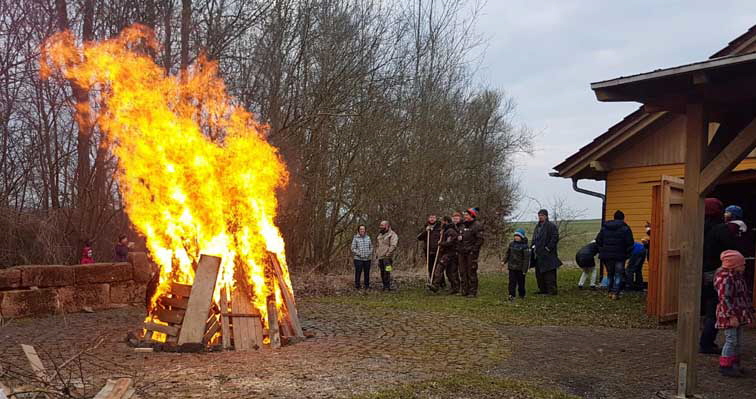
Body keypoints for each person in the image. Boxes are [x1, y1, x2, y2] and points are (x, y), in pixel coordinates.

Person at [700, 198, 736, 354]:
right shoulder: (720, 229)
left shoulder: (697, 226)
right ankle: (706, 343)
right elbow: (730, 248)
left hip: (702, 270)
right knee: (715, 308)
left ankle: (706, 341)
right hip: (717, 270)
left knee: (709, 306)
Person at [715, 250, 755, 377]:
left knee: (738, 340)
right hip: (729, 314)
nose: (744, 266)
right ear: (734, 265)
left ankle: (734, 363)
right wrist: (731, 315)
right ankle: (725, 365)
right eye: (742, 264)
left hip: (738, 312)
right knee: (731, 339)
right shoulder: (725, 279)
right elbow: (724, 298)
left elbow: (743, 295)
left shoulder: (737, 277)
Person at [596, 210, 634, 300]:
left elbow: (598, 240)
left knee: (610, 274)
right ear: (623, 218)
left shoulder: (605, 228)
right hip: (620, 255)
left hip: (607, 255)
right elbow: (630, 243)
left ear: (614, 217)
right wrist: (627, 253)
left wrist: (602, 250)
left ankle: (609, 292)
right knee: (618, 274)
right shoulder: (625, 228)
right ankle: (615, 293)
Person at [532, 209, 562, 295]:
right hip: (538, 253)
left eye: (542, 215)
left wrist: (548, 248)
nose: (540, 217)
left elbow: (555, 237)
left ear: (546, 216)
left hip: (548, 254)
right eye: (539, 215)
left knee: (549, 274)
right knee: (539, 273)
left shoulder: (551, 226)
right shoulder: (537, 226)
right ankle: (542, 289)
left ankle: (552, 290)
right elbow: (535, 238)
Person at [429, 216, 460, 294]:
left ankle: (436, 285)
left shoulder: (450, 231)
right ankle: (455, 287)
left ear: (446, 221)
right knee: (450, 272)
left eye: (442, 221)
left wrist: (441, 244)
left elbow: (450, 242)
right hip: (448, 253)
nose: (441, 223)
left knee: (439, 268)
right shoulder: (445, 230)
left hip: (449, 254)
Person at [458, 208, 484, 297]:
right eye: (464, 215)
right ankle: (464, 290)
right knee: (462, 271)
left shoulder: (477, 225)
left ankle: (472, 291)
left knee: (471, 272)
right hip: (462, 252)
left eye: (467, 215)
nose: (465, 216)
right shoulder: (462, 225)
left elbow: (480, 240)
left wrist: (474, 250)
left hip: (471, 253)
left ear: (472, 215)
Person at [504, 228, 529, 300]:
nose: (516, 237)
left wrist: (525, 269)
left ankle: (522, 294)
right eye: (515, 236)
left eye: (518, 236)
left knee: (521, 282)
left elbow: (526, 259)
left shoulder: (525, 246)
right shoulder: (511, 244)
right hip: (512, 267)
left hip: (520, 268)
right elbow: (508, 253)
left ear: (521, 237)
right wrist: (504, 261)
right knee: (512, 282)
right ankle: (511, 295)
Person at [417, 214, 443, 284]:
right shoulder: (425, 227)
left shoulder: (440, 227)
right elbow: (419, 237)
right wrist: (426, 231)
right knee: (430, 267)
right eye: (430, 217)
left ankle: (440, 283)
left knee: (438, 267)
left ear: (436, 218)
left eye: (433, 217)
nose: (432, 219)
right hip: (428, 251)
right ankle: (432, 281)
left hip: (438, 250)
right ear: (428, 218)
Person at [376, 220, 399, 291]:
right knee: (382, 272)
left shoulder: (392, 234)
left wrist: (388, 254)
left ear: (387, 226)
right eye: (380, 225)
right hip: (380, 257)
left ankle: (387, 287)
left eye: (382, 225)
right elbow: (378, 245)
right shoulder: (380, 235)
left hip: (387, 258)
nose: (380, 226)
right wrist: (377, 254)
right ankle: (384, 286)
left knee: (387, 272)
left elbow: (393, 245)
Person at [351, 225, 373, 290]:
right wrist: (359, 254)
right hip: (358, 259)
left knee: (367, 272)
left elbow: (371, 247)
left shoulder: (368, 238)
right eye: (361, 229)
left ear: (365, 230)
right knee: (358, 272)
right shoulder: (355, 238)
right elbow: (353, 248)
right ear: (358, 230)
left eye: (363, 229)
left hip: (367, 259)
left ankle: (367, 285)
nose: (362, 230)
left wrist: (369, 253)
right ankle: (357, 286)